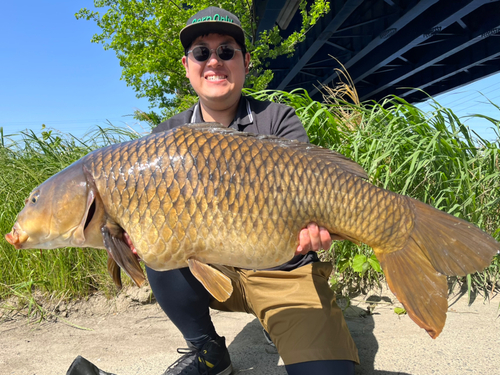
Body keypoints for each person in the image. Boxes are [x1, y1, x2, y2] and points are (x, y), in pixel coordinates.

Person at [147, 7, 359, 375]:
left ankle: (277, 321)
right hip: (210, 270)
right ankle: (207, 352)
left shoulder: (278, 119)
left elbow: (315, 197)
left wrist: (319, 227)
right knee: (158, 246)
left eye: (226, 51)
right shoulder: (165, 137)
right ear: (187, 65)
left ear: (245, 61)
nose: (214, 61)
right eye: (201, 53)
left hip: (284, 271)